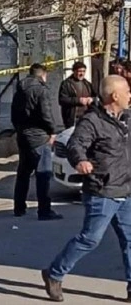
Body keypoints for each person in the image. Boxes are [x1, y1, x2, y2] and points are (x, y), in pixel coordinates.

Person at [42, 75, 131, 302]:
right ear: (115, 95)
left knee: (130, 239)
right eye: (128, 91)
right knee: (90, 238)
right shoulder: (92, 121)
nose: (130, 95)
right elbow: (76, 144)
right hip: (103, 189)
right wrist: (80, 160)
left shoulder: (126, 119)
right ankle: (54, 273)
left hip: (125, 188)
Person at [11, 63, 64, 221]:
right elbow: (46, 114)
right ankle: (44, 210)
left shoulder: (20, 89)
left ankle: (19, 207)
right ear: (43, 75)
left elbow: (14, 114)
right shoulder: (41, 90)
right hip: (39, 137)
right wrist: (53, 131)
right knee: (43, 174)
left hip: (23, 136)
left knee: (23, 173)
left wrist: (20, 130)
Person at [58, 61, 95, 129]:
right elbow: (62, 99)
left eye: (84, 71)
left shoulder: (87, 84)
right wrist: (78, 100)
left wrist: (92, 99)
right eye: (80, 71)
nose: (82, 73)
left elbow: (95, 97)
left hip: (86, 118)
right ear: (74, 71)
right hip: (73, 119)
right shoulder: (66, 84)